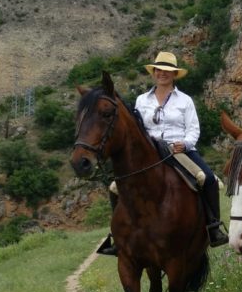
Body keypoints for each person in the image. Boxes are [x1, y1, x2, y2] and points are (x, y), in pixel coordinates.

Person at [96, 51, 229, 255]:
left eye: (168, 71)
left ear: (174, 74)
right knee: (115, 187)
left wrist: (184, 144)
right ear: (154, 72)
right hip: (148, 151)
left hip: (177, 149)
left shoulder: (185, 101)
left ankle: (214, 228)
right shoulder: (141, 100)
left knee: (207, 178)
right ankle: (117, 236)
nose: (162, 73)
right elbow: (137, 128)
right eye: (159, 69)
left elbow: (193, 129)